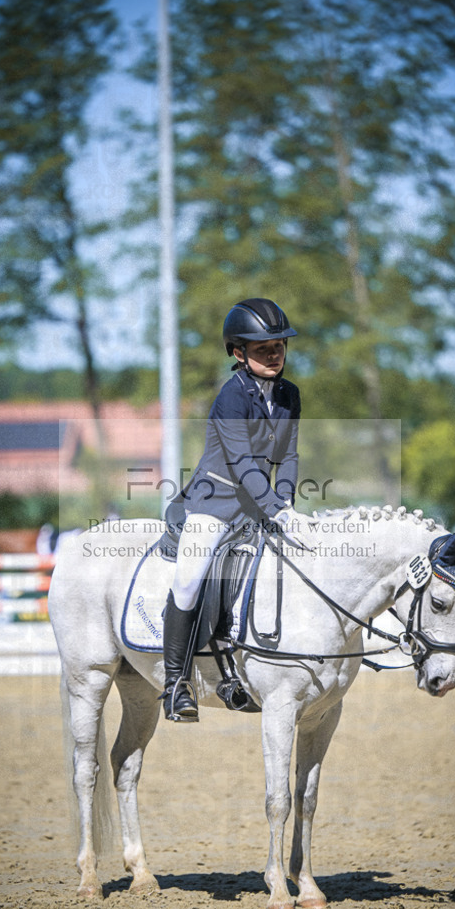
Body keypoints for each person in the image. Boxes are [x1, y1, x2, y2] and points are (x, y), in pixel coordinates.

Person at [161, 297, 313, 722]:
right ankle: (176, 684)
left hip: (259, 504)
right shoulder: (231, 396)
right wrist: (275, 509)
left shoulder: (289, 396)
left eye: (279, 345)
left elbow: (290, 457)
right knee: (191, 580)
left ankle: (236, 670)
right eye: (263, 347)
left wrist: (283, 504)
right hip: (215, 503)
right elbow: (243, 462)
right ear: (238, 352)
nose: (274, 353)